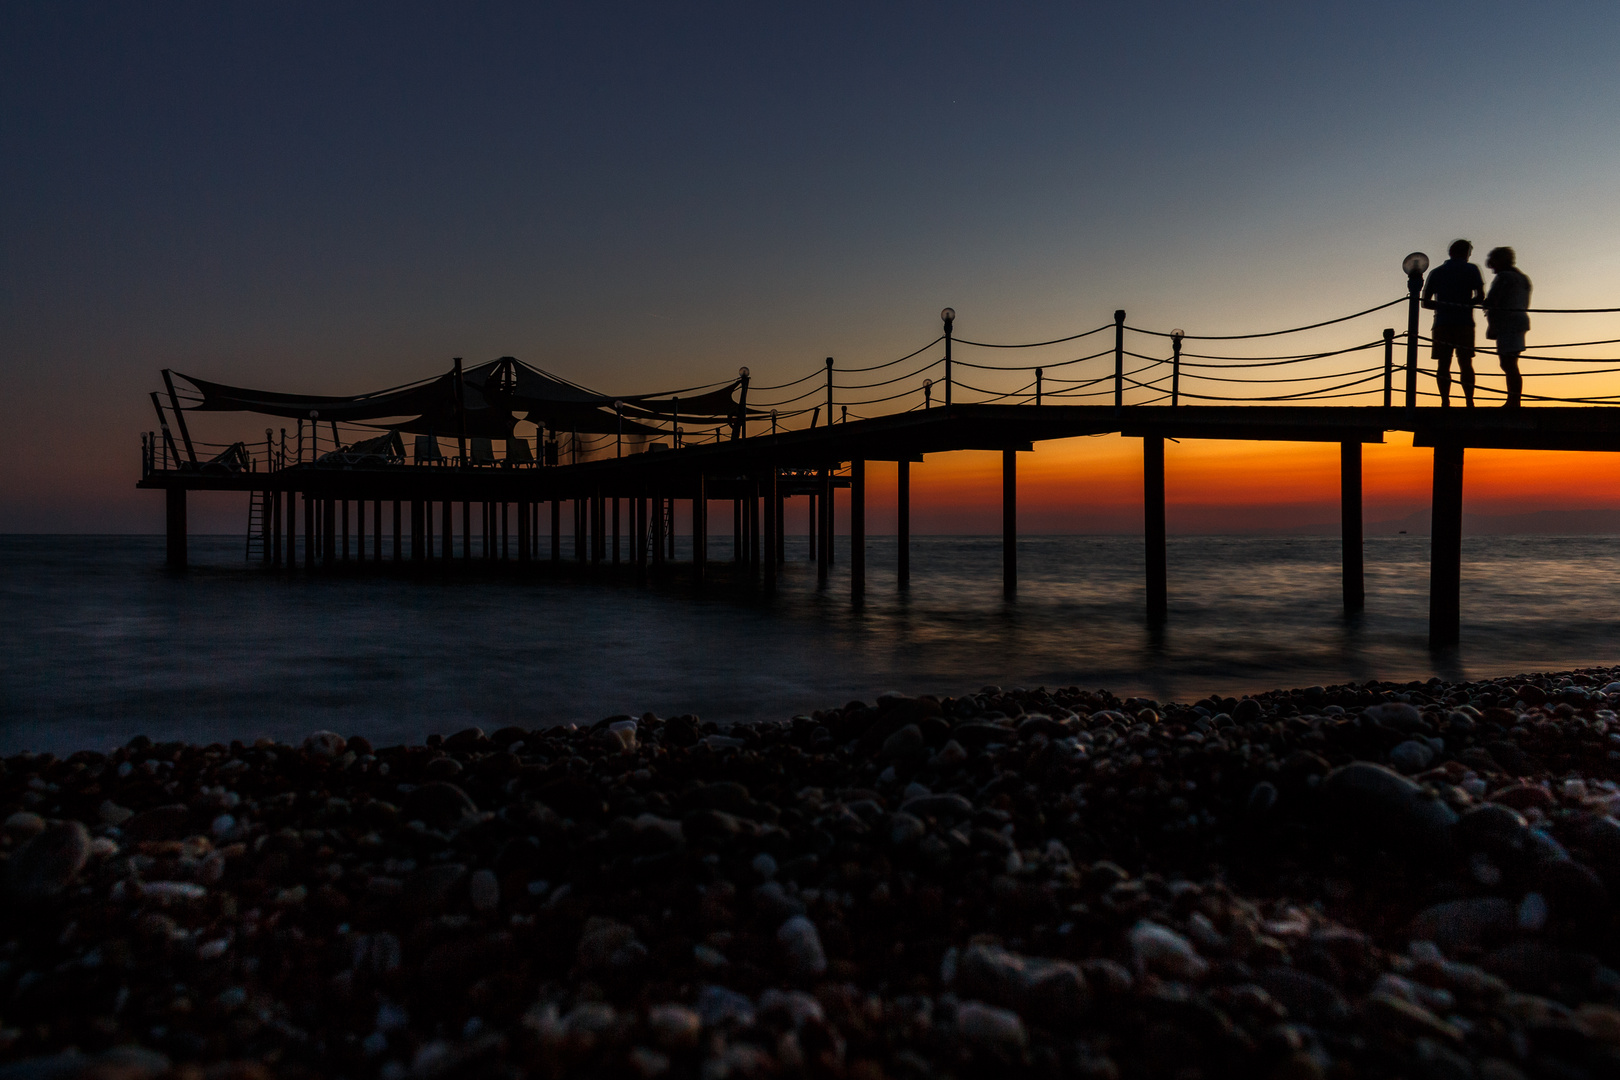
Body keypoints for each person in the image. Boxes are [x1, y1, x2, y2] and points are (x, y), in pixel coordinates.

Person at [1421, 239, 1486, 407]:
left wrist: (1444, 306)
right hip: (1464, 322)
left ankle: (1445, 401)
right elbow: (1480, 296)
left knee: (1443, 364)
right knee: (1466, 363)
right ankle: (1469, 402)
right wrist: (1464, 305)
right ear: (1467, 254)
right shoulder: (1472, 270)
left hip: (1442, 323)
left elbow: (1425, 302)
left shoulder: (1436, 272)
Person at [1484, 246, 1532, 407]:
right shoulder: (1523, 278)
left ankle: (1513, 401)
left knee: (1508, 364)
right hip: (1520, 320)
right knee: (1511, 362)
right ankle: (1514, 399)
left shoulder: (1504, 277)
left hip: (1507, 323)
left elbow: (1493, 300)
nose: (1492, 268)